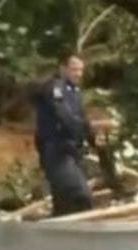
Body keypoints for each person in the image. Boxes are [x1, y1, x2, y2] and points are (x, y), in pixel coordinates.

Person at [33, 54, 98, 216]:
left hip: (70, 149)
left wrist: (92, 139)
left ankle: (61, 223)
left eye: (81, 70)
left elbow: (81, 117)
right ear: (63, 69)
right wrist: (81, 130)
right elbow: (64, 115)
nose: (78, 74)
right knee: (79, 195)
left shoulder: (75, 91)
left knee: (65, 200)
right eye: (74, 70)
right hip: (56, 149)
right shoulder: (55, 88)